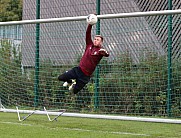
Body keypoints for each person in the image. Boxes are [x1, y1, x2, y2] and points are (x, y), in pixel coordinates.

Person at [58, 22, 109, 94]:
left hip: (85, 76)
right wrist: (90, 24)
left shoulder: (100, 51)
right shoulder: (89, 45)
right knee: (61, 78)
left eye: (98, 40)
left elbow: (106, 54)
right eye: (95, 39)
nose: (95, 41)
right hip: (78, 70)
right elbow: (88, 33)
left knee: (74, 91)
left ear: (101, 42)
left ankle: (74, 83)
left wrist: (105, 53)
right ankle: (71, 81)